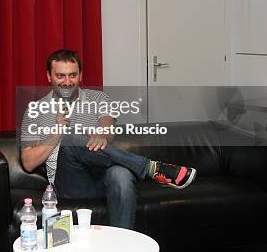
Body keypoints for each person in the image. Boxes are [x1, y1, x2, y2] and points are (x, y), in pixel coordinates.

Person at [20, 49, 196, 229]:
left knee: (121, 174)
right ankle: (150, 167)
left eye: (72, 75)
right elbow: (28, 162)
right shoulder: (35, 110)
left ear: (81, 75)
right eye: (60, 76)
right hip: (70, 182)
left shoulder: (99, 98)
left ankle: (122, 244)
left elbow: (108, 128)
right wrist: (58, 130)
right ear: (49, 76)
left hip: (103, 176)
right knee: (68, 138)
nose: (67, 82)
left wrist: (101, 134)